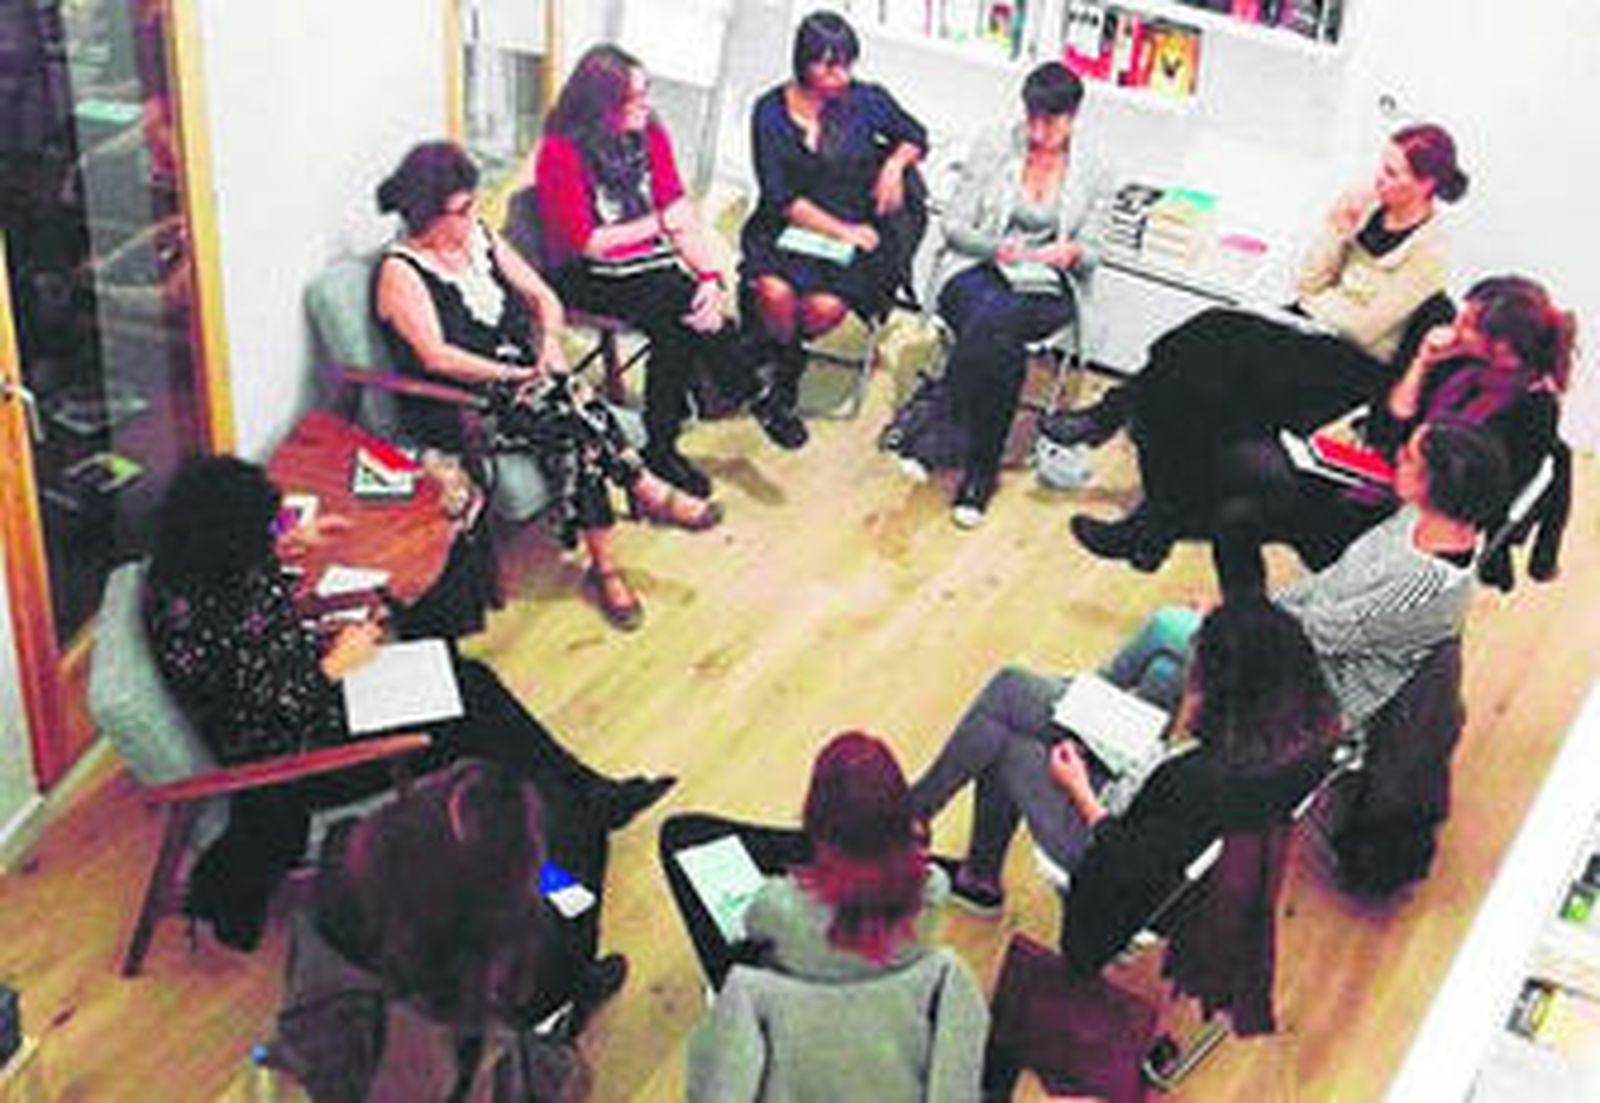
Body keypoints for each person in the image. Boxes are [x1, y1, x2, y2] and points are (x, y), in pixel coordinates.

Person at [910, 419, 1509, 919]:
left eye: (1409, 457)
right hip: (1278, 661)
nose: (1394, 457)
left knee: (1020, 696)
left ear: (1437, 486)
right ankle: (1064, 729)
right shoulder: (1415, 526)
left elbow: (1321, 636)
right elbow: (1321, 595)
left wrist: (1235, 622)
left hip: (1293, 695)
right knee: (1168, 634)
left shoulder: (1428, 585)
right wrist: (1239, 610)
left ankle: (943, 809)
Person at [143, 455, 675, 951]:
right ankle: (557, 858)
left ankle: (580, 804)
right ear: (230, 545)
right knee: (479, 735)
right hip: (301, 755)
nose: (273, 534)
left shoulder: (191, 568)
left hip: (320, 698)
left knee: (471, 681)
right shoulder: (204, 623)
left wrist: (285, 542)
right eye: (264, 531)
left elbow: (261, 626)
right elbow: (261, 717)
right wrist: (336, 664)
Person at [1063, 124, 1471, 569]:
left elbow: (1366, 326)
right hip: (1306, 329)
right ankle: (1153, 524)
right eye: (1382, 167)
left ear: (1426, 184)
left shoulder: (1432, 250)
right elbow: (1308, 281)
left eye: (1393, 174)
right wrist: (1335, 230)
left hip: (1352, 360)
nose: (1379, 180)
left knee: (1203, 350)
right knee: (1184, 363)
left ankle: (1122, 438)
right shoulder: (1371, 209)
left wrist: (1314, 306)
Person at [373, 140, 718, 631]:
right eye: (461, 209)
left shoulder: (480, 238)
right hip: (463, 403)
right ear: (427, 215)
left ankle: (608, 564)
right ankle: (640, 493)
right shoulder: (400, 271)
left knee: (573, 428)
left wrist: (551, 343)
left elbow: (542, 295)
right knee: (572, 411)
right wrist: (516, 374)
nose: (472, 216)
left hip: (528, 384)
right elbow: (436, 356)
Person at [1200, 275, 1574, 594]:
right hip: (1384, 479)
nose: (1456, 329)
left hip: (1420, 519)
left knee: (1259, 513)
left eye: (1469, 325)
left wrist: (1409, 479)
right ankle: (1245, 612)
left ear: (1504, 346)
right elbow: (1385, 429)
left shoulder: (1534, 411)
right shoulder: (1458, 366)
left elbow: (1482, 503)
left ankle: (1274, 621)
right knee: (1241, 488)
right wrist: (1422, 363)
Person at [533, 44, 770, 500]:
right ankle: (739, 383)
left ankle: (665, 442)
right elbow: (587, 242)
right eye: (634, 97)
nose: (647, 104)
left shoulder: (650, 131)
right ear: (602, 106)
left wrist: (711, 280)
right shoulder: (561, 153)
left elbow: (680, 214)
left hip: (644, 262)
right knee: (675, 302)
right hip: (582, 272)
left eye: (647, 91)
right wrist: (659, 225)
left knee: (680, 310)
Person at [911, 61, 1109, 527]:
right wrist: (996, 248)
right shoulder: (995, 145)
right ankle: (979, 477)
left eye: (1051, 122)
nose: (1039, 133)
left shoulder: (1097, 169)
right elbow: (954, 224)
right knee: (1000, 335)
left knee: (998, 323)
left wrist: (1071, 250)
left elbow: (1095, 253)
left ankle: (940, 421)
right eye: (1032, 118)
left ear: (1073, 116)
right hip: (979, 268)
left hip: (1047, 284)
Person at [739, 10, 929, 450]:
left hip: (852, 229)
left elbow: (915, 134)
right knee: (775, 293)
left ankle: (777, 357)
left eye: (847, 64)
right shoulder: (769, 112)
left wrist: (895, 166)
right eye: (829, 65)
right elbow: (780, 197)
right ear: (803, 63)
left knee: (823, 308)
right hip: (790, 226)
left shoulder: (866, 100)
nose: (841, 75)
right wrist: (842, 231)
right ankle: (786, 380)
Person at [659, 731, 949, 990]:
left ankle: (723, 995)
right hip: (880, 1002)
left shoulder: (777, 903)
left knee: (680, 833)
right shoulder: (935, 885)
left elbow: (753, 930)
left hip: (789, 1002)